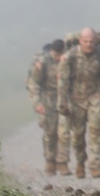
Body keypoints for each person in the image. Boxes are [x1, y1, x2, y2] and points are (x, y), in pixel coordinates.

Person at [57, 28, 100, 179]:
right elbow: (63, 81)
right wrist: (62, 103)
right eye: (85, 42)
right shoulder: (69, 57)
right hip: (75, 99)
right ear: (80, 41)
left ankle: (95, 166)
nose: (89, 45)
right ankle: (80, 163)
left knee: (96, 132)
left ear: (96, 42)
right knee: (77, 135)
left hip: (95, 97)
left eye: (91, 42)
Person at [25, 39, 68, 176]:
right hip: (47, 101)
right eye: (56, 55)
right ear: (52, 52)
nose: (58, 57)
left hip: (64, 101)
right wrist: (37, 103)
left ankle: (63, 162)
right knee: (50, 133)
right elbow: (34, 84)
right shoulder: (43, 62)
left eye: (60, 54)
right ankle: (50, 161)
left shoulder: (68, 59)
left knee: (64, 132)